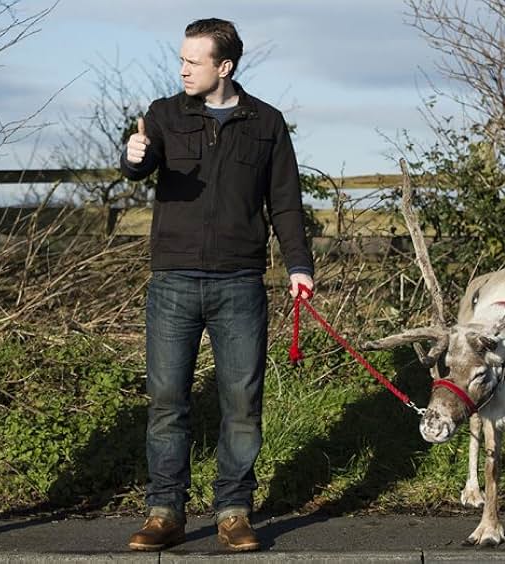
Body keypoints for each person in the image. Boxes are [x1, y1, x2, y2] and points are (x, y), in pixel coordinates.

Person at [120, 17, 315, 552]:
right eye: (181, 59)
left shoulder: (267, 123)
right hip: (173, 280)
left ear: (223, 67)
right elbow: (140, 163)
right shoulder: (162, 115)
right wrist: (134, 158)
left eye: (193, 61)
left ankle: (233, 510)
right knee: (165, 399)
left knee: (242, 399)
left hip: (240, 283)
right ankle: (164, 512)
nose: (182, 68)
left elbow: (286, 202)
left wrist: (299, 265)